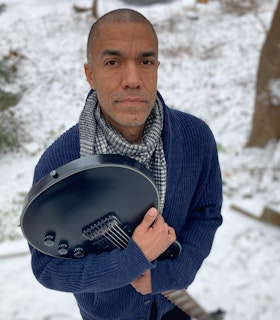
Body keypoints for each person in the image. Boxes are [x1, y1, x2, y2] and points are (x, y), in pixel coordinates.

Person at [29, 8, 223, 320]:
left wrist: (170, 275)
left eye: (145, 62)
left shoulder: (196, 139)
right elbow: (48, 268)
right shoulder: (60, 163)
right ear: (90, 74)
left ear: (157, 67)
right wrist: (132, 260)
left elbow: (206, 214)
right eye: (113, 62)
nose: (132, 80)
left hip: (172, 304)